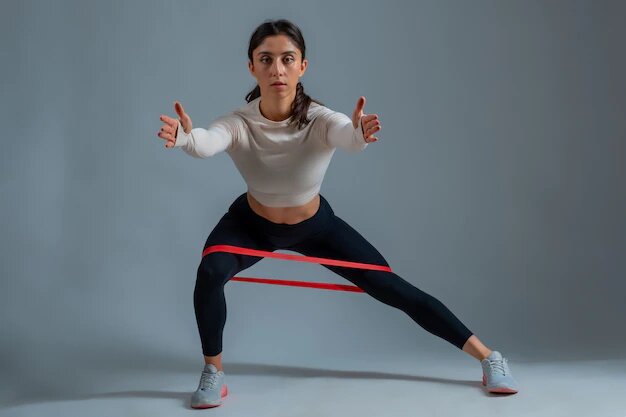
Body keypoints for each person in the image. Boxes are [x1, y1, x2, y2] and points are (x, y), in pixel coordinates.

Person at [157, 19, 519, 409]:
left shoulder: (320, 118)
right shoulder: (239, 122)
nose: (277, 69)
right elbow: (208, 142)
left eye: (286, 59)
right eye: (266, 59)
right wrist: (186, 140)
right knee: (210, 273)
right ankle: (214, 372)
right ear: (252, 68)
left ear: (302, 66)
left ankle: (489, 358)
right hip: (252, 225)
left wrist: (360, 135)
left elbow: (347, 136)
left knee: (394, 289)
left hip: (316, 228)